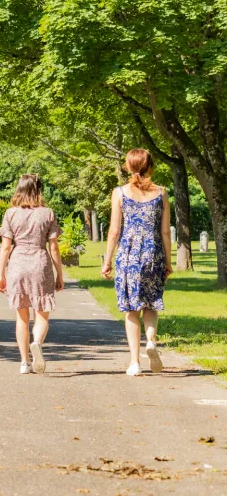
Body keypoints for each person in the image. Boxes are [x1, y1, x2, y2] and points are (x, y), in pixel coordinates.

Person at [101, 149, 172, 376]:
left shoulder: (120, 192)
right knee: (150, 303)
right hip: (153, 253)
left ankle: (135, 362)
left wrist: (107, 260)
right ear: (149, 166)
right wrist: (168, 262)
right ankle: (151, 341)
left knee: (131, 309)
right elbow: (165, 232)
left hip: (129, 255)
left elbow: (114, 231)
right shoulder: (162, 193)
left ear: (129, 167)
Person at [0, 174, 65, 374]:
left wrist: (1, 274)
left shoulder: (11, 214)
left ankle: (24, 362)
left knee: (21, 316)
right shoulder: (48, 213)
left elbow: (6, 247)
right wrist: (59, 274)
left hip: (17, 265)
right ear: (39, 190)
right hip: (40, 263)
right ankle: (37, 342)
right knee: (42, 313)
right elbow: (54, 247)